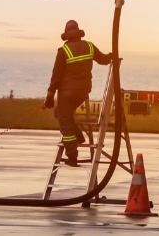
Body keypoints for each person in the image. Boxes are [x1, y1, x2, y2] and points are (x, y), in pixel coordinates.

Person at [45, 19, 113, 166]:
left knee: (65, 121)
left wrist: (49, 96)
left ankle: (72, 156)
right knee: (59, 112)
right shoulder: (89, 46)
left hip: (67, 93)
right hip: (83, 91)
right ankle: (79, 136)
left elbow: (55, 76)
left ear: (67, 35)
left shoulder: (64, 51)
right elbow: (103, 60)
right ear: (78, 32)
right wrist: (112, 56)